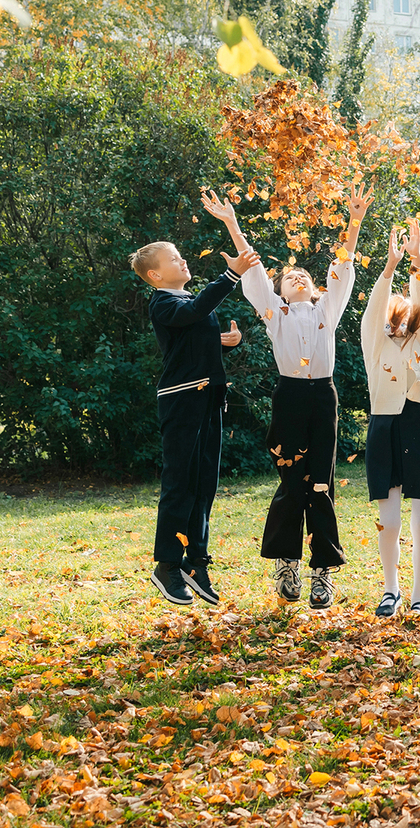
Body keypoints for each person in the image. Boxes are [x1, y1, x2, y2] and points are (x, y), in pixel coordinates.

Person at [203, 184, 372, 609]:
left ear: (315, 289)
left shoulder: (325, 311)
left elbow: (344, 265)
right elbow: (254, 271)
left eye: (305, 276)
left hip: (323, 397)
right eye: (288, 277)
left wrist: (354, 221)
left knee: (321, 483)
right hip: (289, 397)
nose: (297, 276)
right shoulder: (274, 313)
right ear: (279, 292)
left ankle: (323, 572)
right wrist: (232, 223)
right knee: (291, 482)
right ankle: (286, 561)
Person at [130, 233, 255, 606]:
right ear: (155, 276)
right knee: (180, 483)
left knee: (204, 484)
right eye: (173, 259)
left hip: (210, 397)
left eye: (180, 255)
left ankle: (195, 561)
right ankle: (166, 564)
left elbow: (192, 335)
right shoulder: (163, 302)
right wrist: (229, 276)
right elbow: (190, 315)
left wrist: (223, 340)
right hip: (182, 399)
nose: (182, 261)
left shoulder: (186, 299)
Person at [362, 219, 420, 615]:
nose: (398, 323)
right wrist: (390, 267)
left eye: (405, 318)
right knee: (390, 521)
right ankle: (390, 591)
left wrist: (416, 262)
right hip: (383, 428)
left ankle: (418, 595)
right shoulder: (374, 346)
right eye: (393, 318)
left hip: (419, 424)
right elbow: (373, 310)